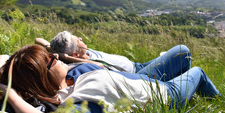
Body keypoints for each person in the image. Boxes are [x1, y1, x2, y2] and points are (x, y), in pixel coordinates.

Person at [0, 45, 220, 113]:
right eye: (51, 60)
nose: (56, 56)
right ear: (42, 77)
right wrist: (11, 95)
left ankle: (189, 91)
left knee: (182, 52)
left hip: (143, 78)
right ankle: (220, 105)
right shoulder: (83, 102)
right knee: (197, 71)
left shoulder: (68, 77)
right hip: (163, 95)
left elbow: (2, 57)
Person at [35, 31, 191, 82]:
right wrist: (69, 58)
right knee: (182, 52)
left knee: (178, 60)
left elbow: (39, 40)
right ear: (75, 53)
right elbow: (100, 67)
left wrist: (53, 49)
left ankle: (180, 89)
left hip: (139, 65)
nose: (81, 39)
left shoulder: (77, 51)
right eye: (78, 41)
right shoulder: (84, 64)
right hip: (139, 76)